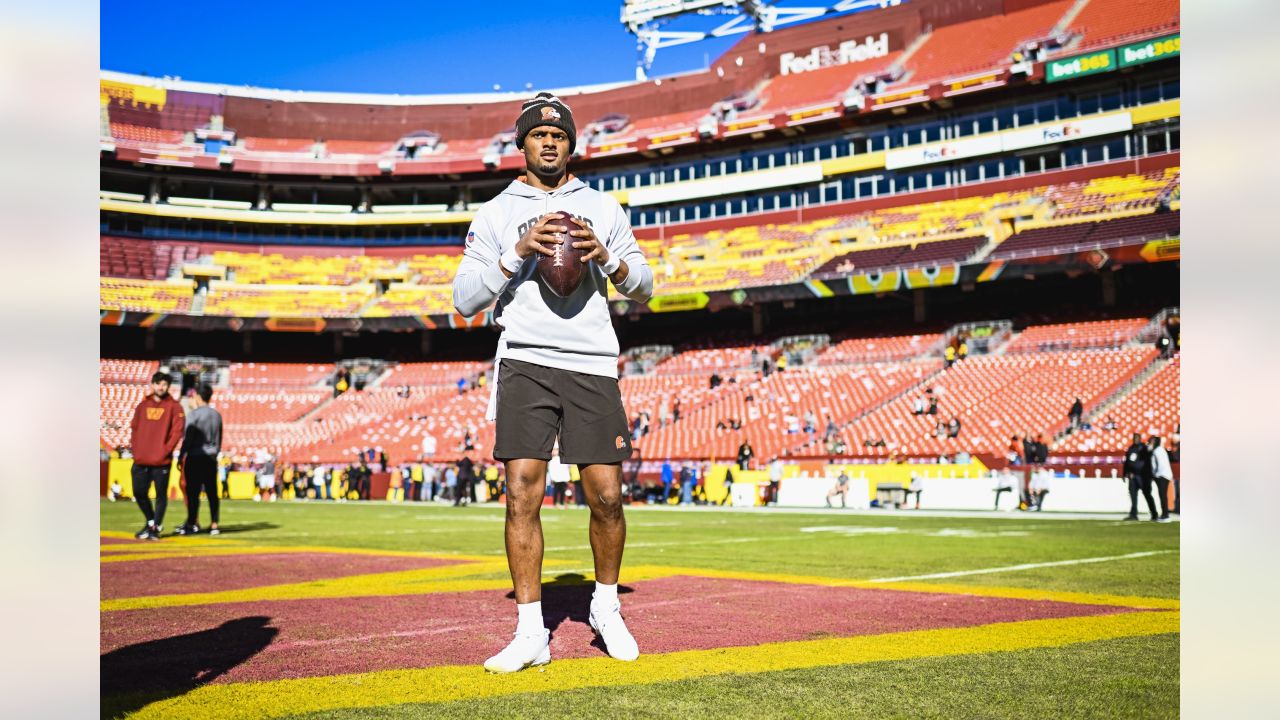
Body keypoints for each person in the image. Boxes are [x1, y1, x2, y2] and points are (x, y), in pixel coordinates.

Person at [452, 92, 652, 672]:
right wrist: (517, 251)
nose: (549, 142)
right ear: (522, 143)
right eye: (538, 135)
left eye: (559, 135)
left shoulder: (604, 208)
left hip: (591, 359)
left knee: (608, 496)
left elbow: (646, 285)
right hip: (525, 359)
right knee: (521, 492)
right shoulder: (494, 212)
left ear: (570, 143)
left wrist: (607, 259)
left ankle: (606, 607)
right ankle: (530, 630)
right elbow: (464, 302)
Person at [128, 372, 185, 539]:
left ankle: (155, 529)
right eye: (158, 384)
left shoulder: (175, 407)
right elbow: (135, 428)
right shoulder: (142, 405)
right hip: (141, 459)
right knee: (139, 493)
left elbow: (177, 432)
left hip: (161, 461)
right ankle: (151, 522)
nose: (161, 387)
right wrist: (137, 450)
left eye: (165, 384)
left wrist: (164, 450)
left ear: (168, 387)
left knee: (161, 495)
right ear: (152, 385)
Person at [176, 384, 223, 536]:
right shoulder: (216, 415)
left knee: (193, 492)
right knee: (212, 492)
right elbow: (219, 438)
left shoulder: (194, 415)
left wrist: (182, 455)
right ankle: (214, 524)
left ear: (198, 396)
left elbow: (188, 438)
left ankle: (192, 523)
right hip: (210, 458)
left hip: (195, 457)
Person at [1123, 433, 1158, 521]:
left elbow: (1149, 459)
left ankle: (1154, 513)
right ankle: (1133, 514)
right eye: (1134, 438)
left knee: (1147, 494)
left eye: (1137, 438)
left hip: (1143, 476)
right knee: (1133, 496)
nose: (1135, 439)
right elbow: (1127, 462)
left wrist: (1149, 475)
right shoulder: (1131, 448)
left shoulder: (1144, 448)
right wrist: (1125, 473)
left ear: (1140, 439)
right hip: (1133, 476)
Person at [1150, 436, 1174, 521]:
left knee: (1162, 495)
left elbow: (1159, 465)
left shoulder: (1157, 451)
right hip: (1165, 475)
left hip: (1162, 475)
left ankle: (1165, 515)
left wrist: (1156, 474)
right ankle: (1165, 514)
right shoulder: (1161, 450)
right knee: (1163, 495)